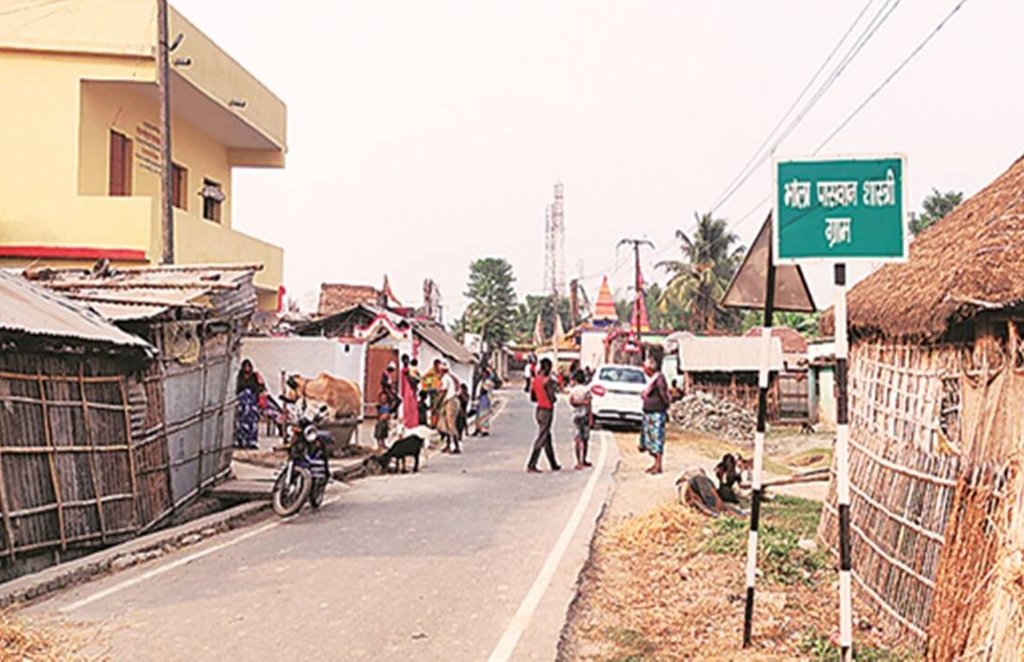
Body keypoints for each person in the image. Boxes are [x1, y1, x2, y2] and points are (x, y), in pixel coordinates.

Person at [526, 358, 560, 473]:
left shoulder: (535, 380)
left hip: (539, 409)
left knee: (546, 437)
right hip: (547, 410)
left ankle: (553, 463)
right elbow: (552, 397)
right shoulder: (548, 381)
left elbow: (532, 397)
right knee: (542, 437)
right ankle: (532, 464)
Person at [639, 355, 671, 475]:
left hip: (657, 412)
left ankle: (658, 465)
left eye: (645, 368)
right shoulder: (652, 379)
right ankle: (655, 464)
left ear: (649, 368)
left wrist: (665, 406)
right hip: (649, 412)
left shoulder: (659, 379)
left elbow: (664, 395)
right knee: (650, 440)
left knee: (657, 439)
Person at [234, 359, 265, 449]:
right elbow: (237, 388)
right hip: (242, 404)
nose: (247, 368)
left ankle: (252, 442)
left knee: (252, 423)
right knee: (240, 423)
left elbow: (260, 387)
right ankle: (241, 441)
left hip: (251, 404)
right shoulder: (240, 377)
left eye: (248, 366)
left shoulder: (254, 376)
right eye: (245, 366)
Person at [569, 369, 592, 470]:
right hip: (585, 415)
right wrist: (591, 416)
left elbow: (572, 402)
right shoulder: (587, 390)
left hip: (575, 416)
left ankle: (578, 461)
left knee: (577, 439)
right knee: (585, 439)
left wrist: (579, 402)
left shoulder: (573, 390)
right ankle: (584, 459)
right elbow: (589, 403)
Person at [437, 361, 462, 454]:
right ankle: (448, 445)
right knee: (446, 424)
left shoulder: (445, 378)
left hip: (450, 401)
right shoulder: (451, 377)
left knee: (450, 424)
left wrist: (436, 405)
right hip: (453, 400)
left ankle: (455, 446)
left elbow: (443, 392)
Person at [399, 354, 420, 429]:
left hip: (411, 389)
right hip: (407, 390)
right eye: (404, 360)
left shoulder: (411, 369)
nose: (406, 361)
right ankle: (408, 423)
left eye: (407, 359)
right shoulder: (404, 370)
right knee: (407, 407)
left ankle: (413, 422)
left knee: (413, 406)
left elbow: (417, 378)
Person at [420, 359, 442, 428]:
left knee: (439, 408)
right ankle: (433, 423)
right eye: (438, 365)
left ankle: (438, 423)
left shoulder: (440, 372)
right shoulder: (431, 371)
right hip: (433, 392)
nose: (439, 366)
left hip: (439, 392)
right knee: (434, 407)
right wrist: (428, 386)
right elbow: (424, 378)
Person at [473, 366, 494, 436]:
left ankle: (484, 430)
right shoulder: (481, 381)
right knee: (478, 415)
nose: (482, 374)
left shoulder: (488, 382)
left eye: (484, 373)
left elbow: (484, 390)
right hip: (480, 398)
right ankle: (477, 428)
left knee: (483, 414)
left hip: (485, 398)